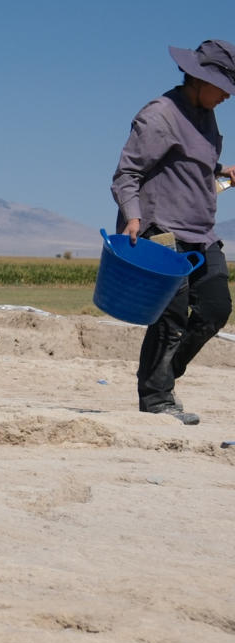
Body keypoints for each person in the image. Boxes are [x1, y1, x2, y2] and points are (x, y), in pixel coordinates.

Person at [111, 39, 235, 425]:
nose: (228, 98)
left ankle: (163, 376)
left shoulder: (207, 115)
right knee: (172, 315)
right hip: (161, 230)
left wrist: (221, 173)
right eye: (224, 89)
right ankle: (156, 398)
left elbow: (188, 168)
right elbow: (127, 174)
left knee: (216, 310)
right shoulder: (160, 115)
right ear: (199, 79)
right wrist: (132, 216)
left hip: (201, 231)